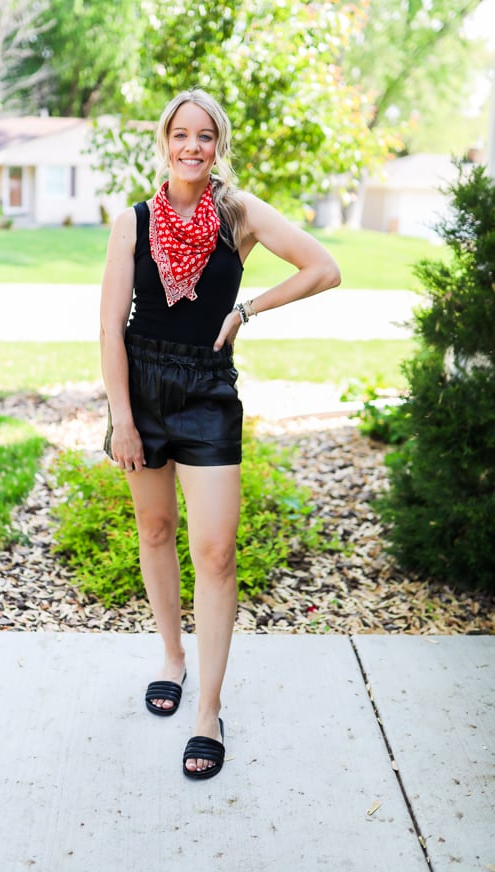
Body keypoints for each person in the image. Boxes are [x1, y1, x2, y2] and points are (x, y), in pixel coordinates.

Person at [99, 88, 341, 780]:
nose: (192, 147)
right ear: (164, 140)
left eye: (205, 136)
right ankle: (171, 659)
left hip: (207, 391)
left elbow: (323, 268)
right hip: (141, 390)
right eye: (181, 134)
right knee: (153, 532)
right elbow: (109, 325)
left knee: (215, 550)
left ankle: (207, 709)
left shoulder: (237, 212)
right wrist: (121, 416)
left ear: (218, 144)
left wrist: (245, 308)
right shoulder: (133, 222)